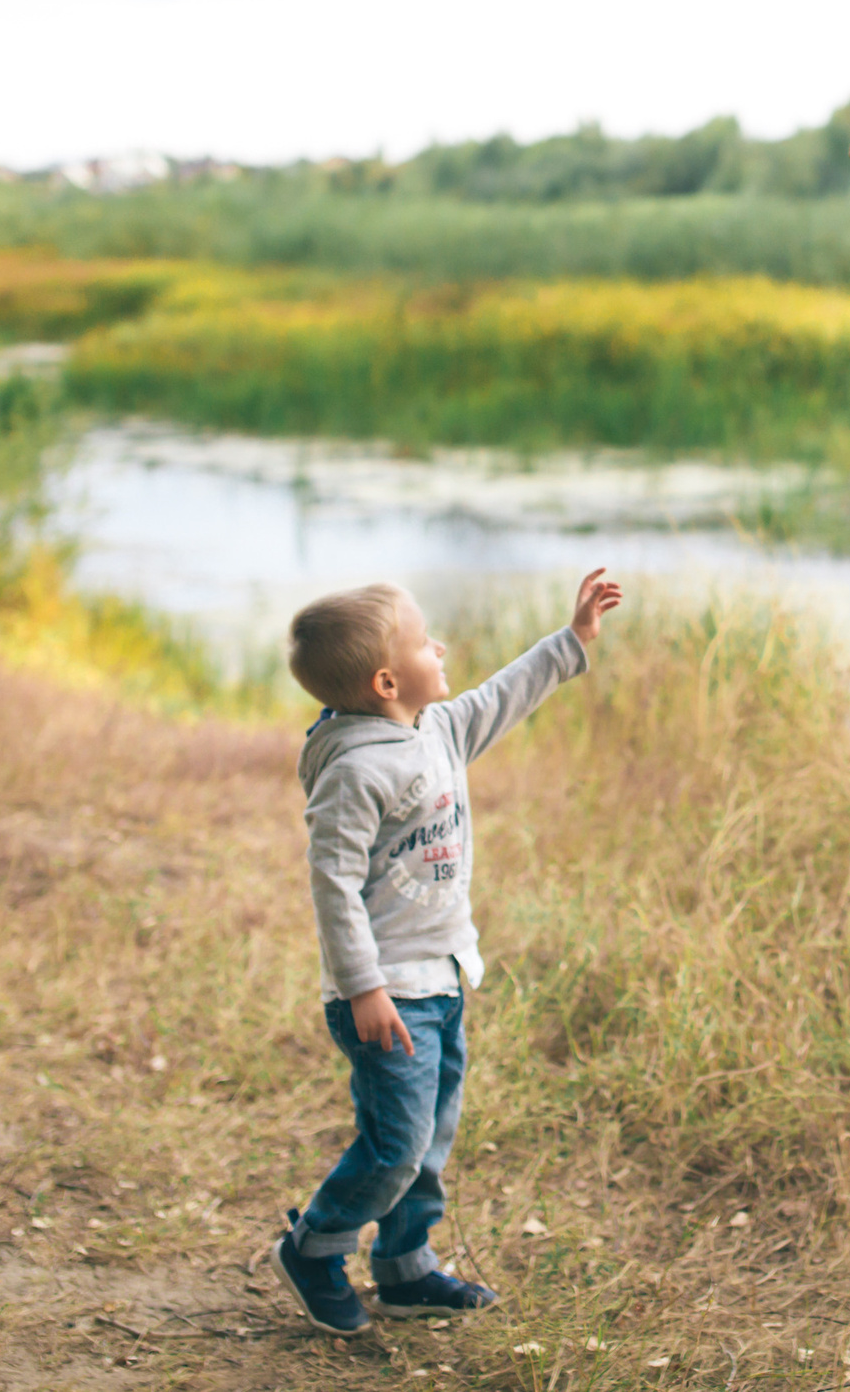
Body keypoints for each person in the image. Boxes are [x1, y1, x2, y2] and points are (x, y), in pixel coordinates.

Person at [269, 568, 624, 1334]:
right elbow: (331, 882)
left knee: (429, 1138)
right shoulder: (356, 769)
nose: (443, 645)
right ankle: (313, 1246)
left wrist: (572, 641)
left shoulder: (436, 728)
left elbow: (504, 693)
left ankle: (405, 1268)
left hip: (442, 977)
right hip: (386, 993)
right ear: (388, 678)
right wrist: (363, 986)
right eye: (426, 640)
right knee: (394, 1145)